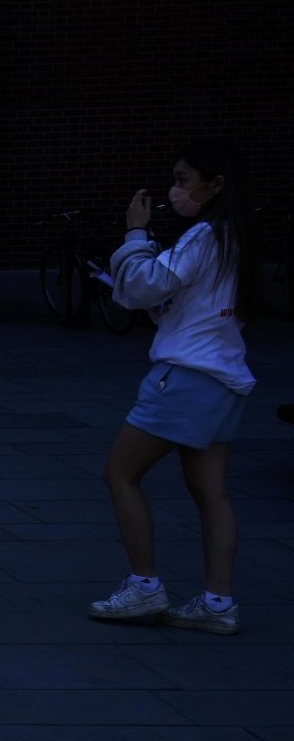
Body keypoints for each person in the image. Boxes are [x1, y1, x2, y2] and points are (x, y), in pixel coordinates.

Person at [91, 141, 259, 634]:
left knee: (120, 474)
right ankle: (217, 602)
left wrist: (136, 233)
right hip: (226, 379)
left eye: (183, 180)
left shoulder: (204, 235)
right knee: (212, 493)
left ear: (215, 185)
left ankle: (144, 587)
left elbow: (146, 284)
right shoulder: (237, 237)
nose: (174, 190)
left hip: (186, 377)